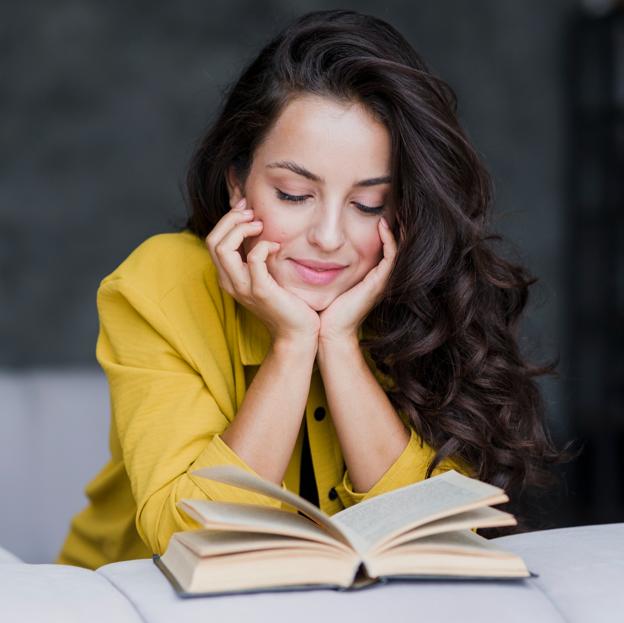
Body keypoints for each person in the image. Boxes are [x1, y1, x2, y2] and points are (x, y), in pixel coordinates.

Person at [56, 9, 574, 570]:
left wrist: (341, 342)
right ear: (238, 184)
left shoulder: (422, 283)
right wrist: (293, 343)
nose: (329, 238)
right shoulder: (157, 285)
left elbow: (441, 534)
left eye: (367, 204)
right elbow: (188, 538)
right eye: (294, 194)